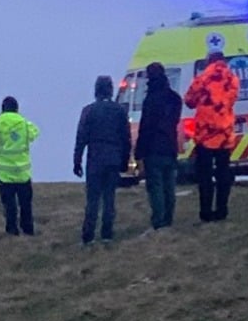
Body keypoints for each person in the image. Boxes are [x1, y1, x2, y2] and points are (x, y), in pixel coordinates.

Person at [73, 75, 132, 246]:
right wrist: (125, 159)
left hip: (95, 158)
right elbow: (126, 138)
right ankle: (107, 234)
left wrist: (77, 161)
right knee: (109, 198)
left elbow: (81, 138)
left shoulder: (89, 111)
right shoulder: (120, 111)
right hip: (113, 157)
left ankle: (88, 235)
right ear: (111, 90)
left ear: (96, 90)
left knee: (92, 199)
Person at [184, 51, 240, 222]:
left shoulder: (201, 79)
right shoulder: (233, 80)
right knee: (223, 174)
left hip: (205, 134)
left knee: (205, 175)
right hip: (225, 134)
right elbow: (231, 100)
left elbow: (189, 101)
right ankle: (222, 210)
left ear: (209, 61)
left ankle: (206, 212)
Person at [134, 62, 184, 229]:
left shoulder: (150, 99)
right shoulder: (175, 99)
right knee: (169, 186)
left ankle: (159, 221)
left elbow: (146, 127)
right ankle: (169, 218)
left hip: (153, 149)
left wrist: (139, 153)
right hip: (170, 146)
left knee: (156, 187)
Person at [0, 96, 40, 236]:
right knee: (25, 204)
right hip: (23, 173)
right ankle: (28, 230)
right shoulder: (23, 123)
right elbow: (35, 133)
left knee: (9, 205)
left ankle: (12, 230)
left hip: (6, 174)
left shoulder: (0, 123)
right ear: (17, 109)